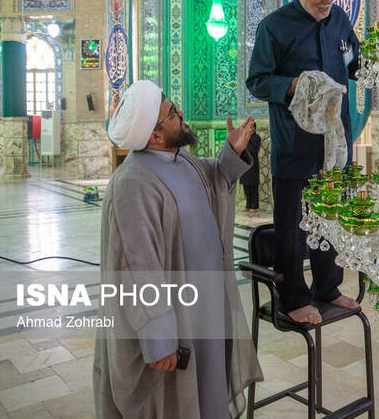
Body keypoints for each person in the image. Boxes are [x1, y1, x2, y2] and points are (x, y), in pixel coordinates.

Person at [94, 80, 263, 419]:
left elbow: (215, 181)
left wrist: (231, 153)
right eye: (172, 113)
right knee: (175, 401)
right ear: (154, 136)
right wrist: (157, 335)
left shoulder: (181, 160)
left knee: (208, 388)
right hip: (177, 318)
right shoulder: (133, 183)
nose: (181, 113)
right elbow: (137, 264)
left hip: (205, 310)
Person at [246, 0, 360, 325]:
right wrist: (295, 84)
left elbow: (356, 61)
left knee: (330, 220)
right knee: (293, 227)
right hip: (294, 145)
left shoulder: (339, 19)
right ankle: (292, 297)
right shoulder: (274, 27)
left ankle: (328, 287)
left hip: (334, 144)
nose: (327, 2)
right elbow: (258, 81)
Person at [240, 122, 262, 213]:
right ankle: (248, 205)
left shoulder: (257, 138)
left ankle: (254, 206)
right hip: (244, 163)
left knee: (253, 185)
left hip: (252, 164)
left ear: (254, 129)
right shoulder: (244, 138)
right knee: (246, 185)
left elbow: (253, 149)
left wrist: (247, 139)